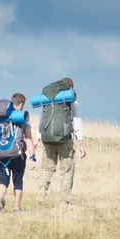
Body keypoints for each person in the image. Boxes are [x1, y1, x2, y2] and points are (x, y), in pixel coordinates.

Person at [35, 77, 86, 208]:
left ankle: (42, 189)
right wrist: (81, 145)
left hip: (48, 139)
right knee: (66, 170)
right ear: (70, 89)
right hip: (65, 140)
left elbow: (42, 120)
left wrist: (38, 138)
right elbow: (77, 124)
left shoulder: (48, 100)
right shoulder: (72, 102)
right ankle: (65, 202)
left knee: (47, 167)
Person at [0, 93, 36, 214]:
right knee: (18, 181)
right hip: (18, 155)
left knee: (2, 179)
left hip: (1, 154)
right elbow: (28, 139)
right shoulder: (22, 118)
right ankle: (16, 208)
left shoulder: (0, 117)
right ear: (22, 104)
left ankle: (0, 200)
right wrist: (32, 157)